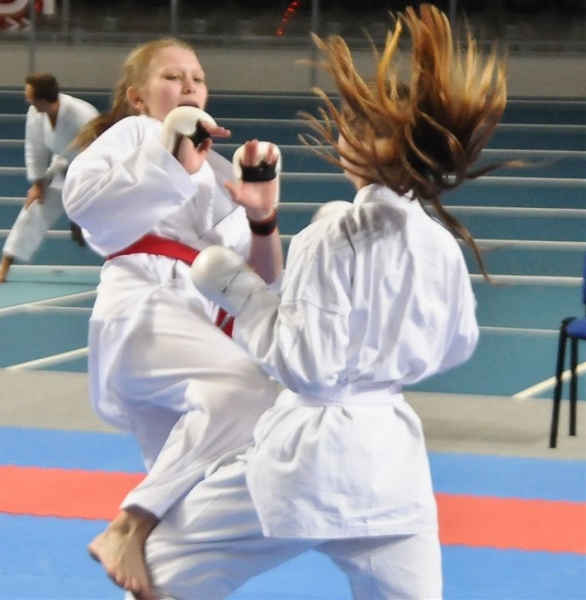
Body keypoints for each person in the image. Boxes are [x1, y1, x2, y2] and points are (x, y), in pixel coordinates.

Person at [140, 5, 507, 599]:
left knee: (160, 566)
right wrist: (377, 361)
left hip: (310, 455)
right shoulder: (439, 243)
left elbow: (306, 364)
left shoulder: (335, 234)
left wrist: (241, 295)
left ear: (357, 143)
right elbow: (457, 345)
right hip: (391, 462)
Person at [62, 38, 285, 596]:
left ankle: (151, 558)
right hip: (142, 307)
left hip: (196, 326)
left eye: (197, 78)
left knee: (190, 503)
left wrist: (262, 218)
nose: (189, 85)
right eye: (172, 76)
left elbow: (260, 283)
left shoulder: (224, 169)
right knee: (251, 395)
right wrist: (170, 160)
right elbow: (84, 206)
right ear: (138, 98)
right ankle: (128, 522)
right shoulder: (132, 134)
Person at [0, 72, 99, 284]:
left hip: (93, 174)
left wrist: (77, 209)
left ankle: (133, 267)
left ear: (43, 100)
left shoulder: (83, 113)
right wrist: (38, 184)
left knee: (114, 220)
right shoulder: (35, 113)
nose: (27, 99)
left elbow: (97, 152)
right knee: (32, 211)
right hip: (61, 167)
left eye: (30, 96)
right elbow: (34, 148)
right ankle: (4, 268)